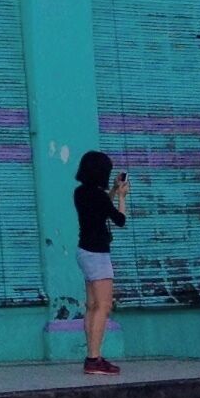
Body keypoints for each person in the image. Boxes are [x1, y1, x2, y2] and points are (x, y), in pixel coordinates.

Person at [74, 150, 129, 375]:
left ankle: (92, 355)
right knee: (104, 306)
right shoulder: (98, 196)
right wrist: (122, 196)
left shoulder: (80, 193)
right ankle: (93, 359)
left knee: (92, 306)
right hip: (98, 254)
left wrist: (114, 190)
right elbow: (120, 220)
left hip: (84, 252)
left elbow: (101, 209)